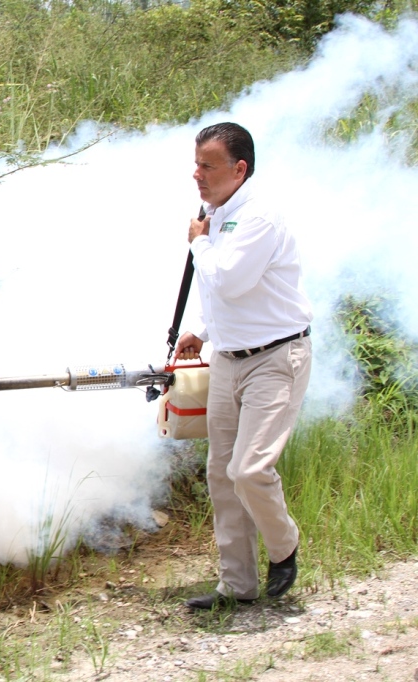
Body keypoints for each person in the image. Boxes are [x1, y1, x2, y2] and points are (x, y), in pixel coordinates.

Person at [174, 122, 313, 610]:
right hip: (229, 359)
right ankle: (237, 587)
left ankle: (284, 546)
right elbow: (230, 296)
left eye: (207, 166)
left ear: (239, 169)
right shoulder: (220, 213)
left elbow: (229, 279)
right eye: (196, 164)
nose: (197, 175)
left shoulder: (258, 217)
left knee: (249, 469)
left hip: (275, 358)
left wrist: (198, 242)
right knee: (221, 476)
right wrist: (203, 330)